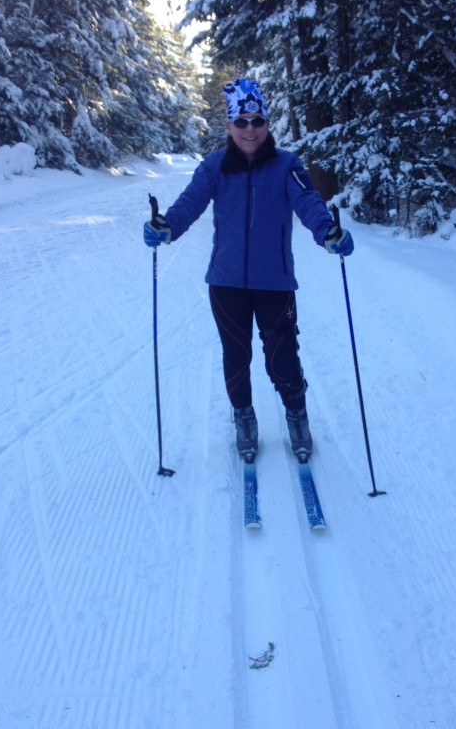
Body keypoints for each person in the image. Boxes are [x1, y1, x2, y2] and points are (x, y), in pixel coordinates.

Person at [143, 77, 353, 463]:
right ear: (229, 125)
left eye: (257, 121)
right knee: (236, 355)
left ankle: (297, 415)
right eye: (241, 122)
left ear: (267, 124)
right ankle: (244, 418)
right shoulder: (215, 166)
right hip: (226, 283)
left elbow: (308, 202)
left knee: (282, 357)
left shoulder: (287, 165)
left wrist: (328, 232)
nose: (250, 129)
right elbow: (190, 202)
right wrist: (167, 226)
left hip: (275, 282)